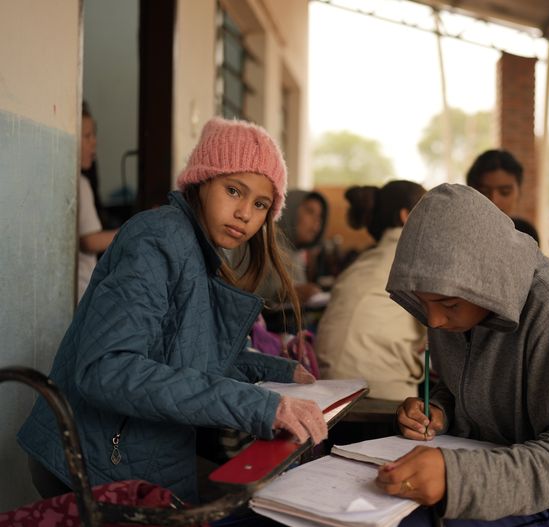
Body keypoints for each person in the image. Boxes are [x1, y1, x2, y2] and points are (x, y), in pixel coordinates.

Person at [17, 117, 327, 504]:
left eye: (261, 204)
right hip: (93, 461)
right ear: (201, 181)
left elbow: (190, 357)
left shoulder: (200, 252)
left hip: (134, 452)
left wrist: (278, 372)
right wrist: (258, 405)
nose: (246, 213)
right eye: (234, 190)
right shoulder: (159, 238)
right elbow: (108, 368)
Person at [375, 184, 549, 525]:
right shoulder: (456, 303)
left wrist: (456, 478)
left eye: (448, 305)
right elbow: (463, 386)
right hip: (479, 465)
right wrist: (439, 410)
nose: (434, 320)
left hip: (546, 504)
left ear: (489, 282)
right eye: (424, 305)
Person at [316, 180, 427, 401]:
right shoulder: (417, 258)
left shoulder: (365, 260)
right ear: (406, 216)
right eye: (430, 212)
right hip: (380, 389)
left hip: (328, 385)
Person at [78, 103, 119, 300]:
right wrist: (130, 231)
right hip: (81, 291)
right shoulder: (81, 184)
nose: (94, 142)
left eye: (93, 135)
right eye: (87, 136)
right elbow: (90, 240)